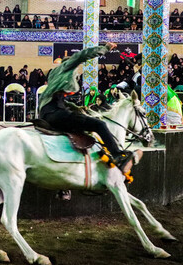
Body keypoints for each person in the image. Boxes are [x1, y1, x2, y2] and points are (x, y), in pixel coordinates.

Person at [38, 42, 142, 174]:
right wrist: (106, 48)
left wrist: (77, 108)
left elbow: (58, 100)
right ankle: (118, 156)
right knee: (99, 125)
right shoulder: (68, 65)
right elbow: (83, 55)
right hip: (54, 112)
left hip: (46, 112)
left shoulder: (54, 74)